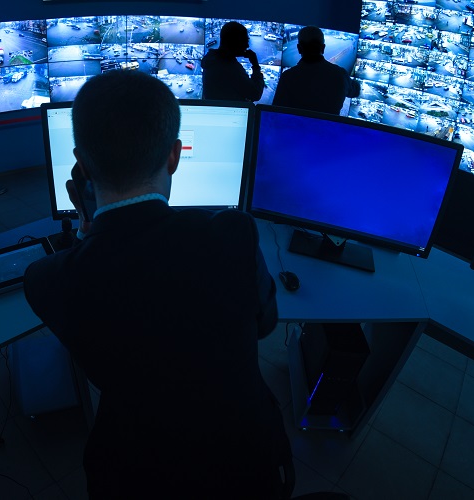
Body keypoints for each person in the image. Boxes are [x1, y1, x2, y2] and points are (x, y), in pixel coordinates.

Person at [23, 70, 290, 499]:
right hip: (245, 471)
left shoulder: (49, 281)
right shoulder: (232, 235)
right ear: (174, 156)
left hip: (133, 476)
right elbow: (264, 325)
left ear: (82, 164)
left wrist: (88, 229)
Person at [272, 26, 360, 115]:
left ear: (299, 48)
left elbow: (275, 112)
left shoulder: (287, 77)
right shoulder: (340, 75)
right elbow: (356, 90)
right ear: (323, 48)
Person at [201, 21, 265, 102]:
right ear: (234, 42)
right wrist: (255, 65)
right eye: (245, 41)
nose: (247, 45)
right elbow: (255, 94)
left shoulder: (211, 59)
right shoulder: (231, 68)